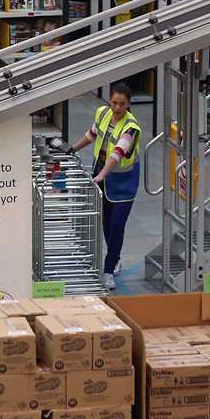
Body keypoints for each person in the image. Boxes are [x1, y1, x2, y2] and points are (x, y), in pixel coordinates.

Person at [69, 82, 142, 290]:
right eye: (114, 103)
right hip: (101, 175)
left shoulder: (131, 128)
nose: (117, 108)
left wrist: (101, 175)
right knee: (106, 223)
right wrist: (72, 149)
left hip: (123, 183)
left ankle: (109, 269)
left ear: (128, 104)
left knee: (117, 226)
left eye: (122, 104)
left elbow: (117, 154)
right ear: (109, 101)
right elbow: (91, 135)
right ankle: (115, 256)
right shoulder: (102, 113)